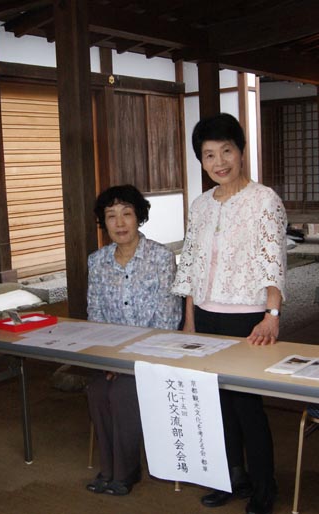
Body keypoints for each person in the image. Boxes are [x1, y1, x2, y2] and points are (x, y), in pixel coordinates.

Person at [172, 113, 287, 514]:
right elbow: (191, 263)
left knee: (247, 406)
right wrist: (189, 317)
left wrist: (271, 314)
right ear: (200, 160)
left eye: (226, 151)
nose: (219, 162)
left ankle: (263, 486)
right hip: (205, 315)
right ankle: (228, 476)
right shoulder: (201, 205)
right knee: (215, 402)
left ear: (241, 152)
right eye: (208, 155)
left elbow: (273, 259)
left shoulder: (263, 200)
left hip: (247, 317)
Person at [86, 185, 182, 496]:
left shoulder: (161, 257)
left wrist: (128, 360)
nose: (120, 222)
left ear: (139, 217)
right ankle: (108, 468)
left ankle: (126, 472)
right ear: (104, 222)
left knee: (124, 393)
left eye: (126, 213)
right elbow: (95, 316)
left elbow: (168, 320)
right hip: (112, 353)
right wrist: (110, 359)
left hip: (152, 352)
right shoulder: (97, 261)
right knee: (99, 389)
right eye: (111, 216)